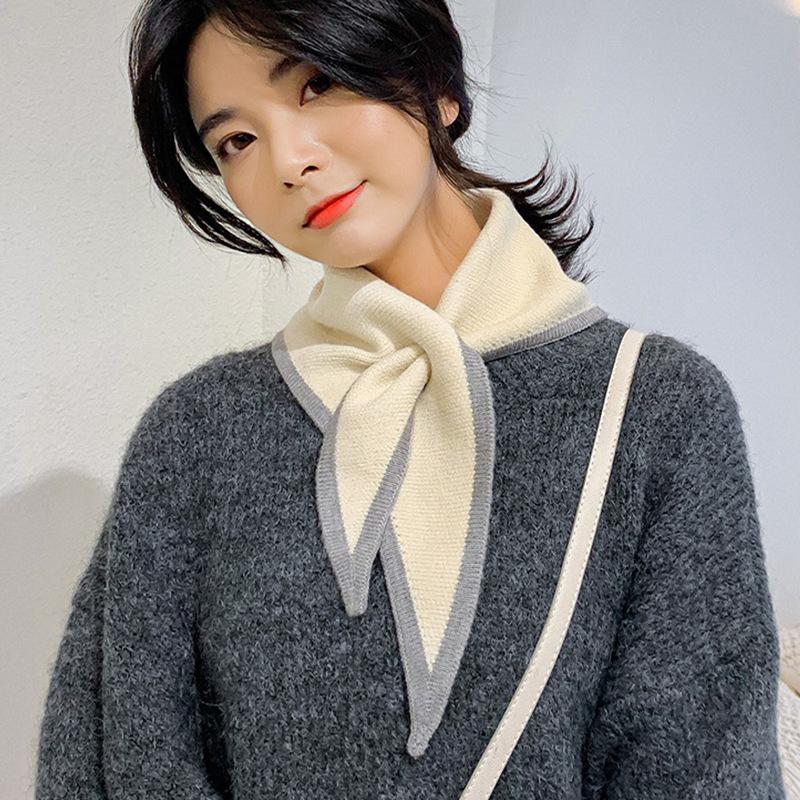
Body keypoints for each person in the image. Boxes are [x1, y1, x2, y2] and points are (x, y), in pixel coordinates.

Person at [35, 2, 786, 798]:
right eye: (237, 141)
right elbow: (113, 757)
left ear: (436, 84)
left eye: (316, 84)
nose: (289, 160)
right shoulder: (197, 433)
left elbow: (702, 767)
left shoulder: (654, 408)